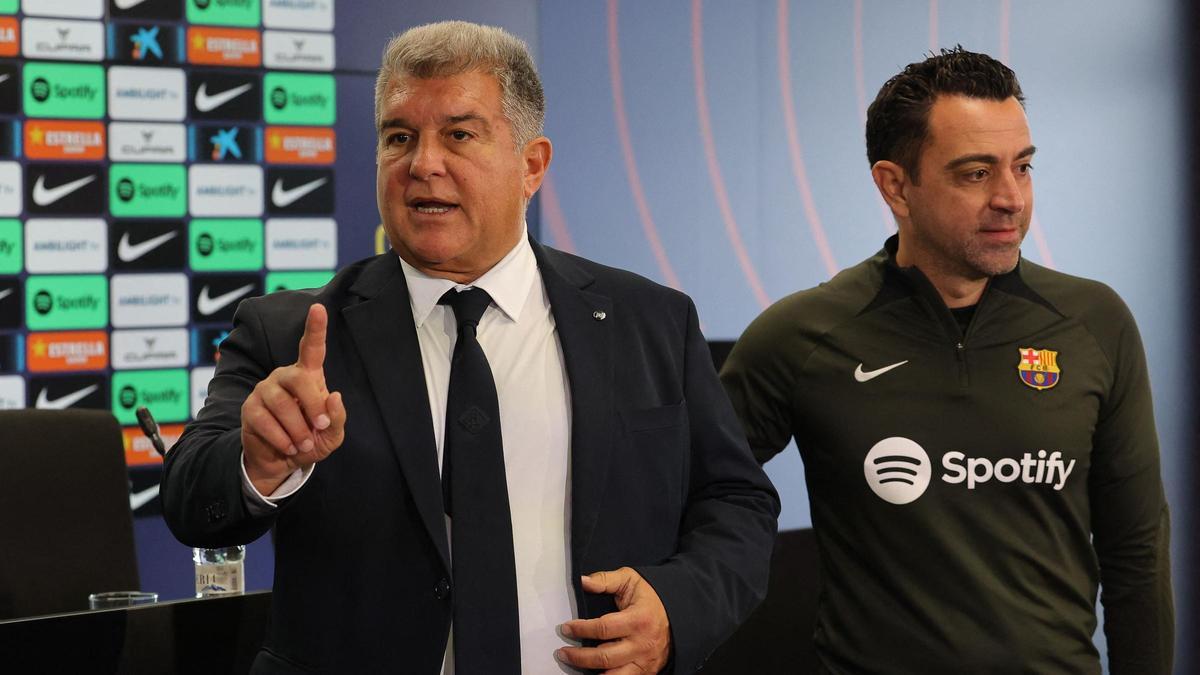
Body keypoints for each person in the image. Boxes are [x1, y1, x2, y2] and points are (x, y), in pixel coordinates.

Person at [161, 20, 779, 675]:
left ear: (531, 165)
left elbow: (736, 502)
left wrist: (677, 608)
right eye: (399, 137)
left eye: (459, 133)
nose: (423, 162)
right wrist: (258, 464)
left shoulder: (649, 321)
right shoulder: (292, 332)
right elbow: (191, 500)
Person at [720, 47, 1173, 673]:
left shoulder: (1095, 323)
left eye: (1023, 166)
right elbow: (692, 494)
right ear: (895, 185)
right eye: (976, 173)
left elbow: (1137, 552)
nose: (1011, 198)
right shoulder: (801, 336)